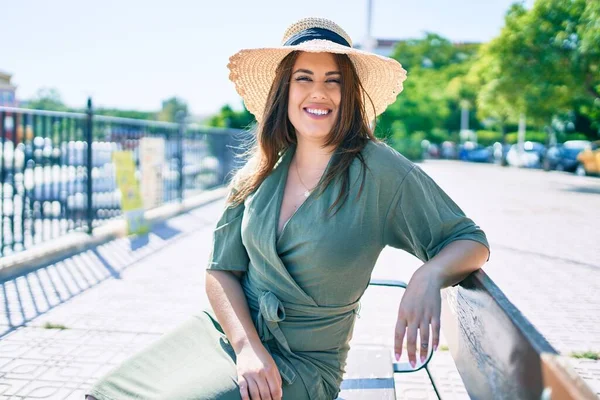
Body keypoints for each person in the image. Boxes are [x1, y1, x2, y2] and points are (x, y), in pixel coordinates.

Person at [86, 17, 490, 400]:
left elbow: (469, 240)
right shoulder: (262, 167)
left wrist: (430, 273)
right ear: (285, 90)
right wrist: (247, 347)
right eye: (304, 78)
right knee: (108, 391)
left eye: (334, 81)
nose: (319, 92)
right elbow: (221, 270)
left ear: (348, 94)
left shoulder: (379, 170)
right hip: (229, 334)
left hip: (301, 365)